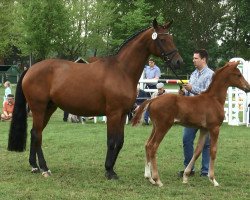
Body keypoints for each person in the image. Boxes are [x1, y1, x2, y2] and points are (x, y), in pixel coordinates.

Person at [178, 49, 214, 177]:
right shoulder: (193, 74)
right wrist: (184, 92)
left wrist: (192, 88)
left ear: (203, 59)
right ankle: (189, 168)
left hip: (205, 113)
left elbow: (208, 95)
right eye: (193, 58)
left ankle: (205, 171)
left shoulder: (211, 75)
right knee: (186, 140)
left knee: (206, 143)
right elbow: (189, 92)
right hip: (191, 113)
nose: (193, 60)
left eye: (196, 58)